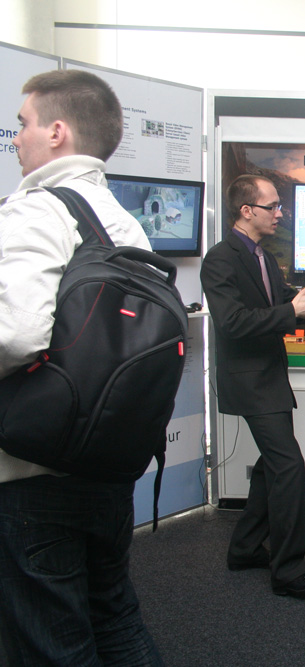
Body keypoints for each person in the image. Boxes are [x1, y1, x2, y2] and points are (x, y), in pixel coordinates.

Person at [0, 69, 163, 665]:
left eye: (22, 124)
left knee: (49, 639)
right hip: (108, 458)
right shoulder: (123, 220)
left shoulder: (36, 210)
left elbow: (15, 333)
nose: (16, 138)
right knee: (114, 618)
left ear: (57, 132)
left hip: (34, 468)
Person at [200, 174, 305, 595]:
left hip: (270, 377)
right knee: (288, 467)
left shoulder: (263, 257)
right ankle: (288, 571)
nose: (280, 213)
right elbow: (232, 323)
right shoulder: (220, 259)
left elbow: (280, 307)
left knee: (271, 467)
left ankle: (244, 549)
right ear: (247, 211)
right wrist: (292, 310)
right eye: (273, 206)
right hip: (250, 380)